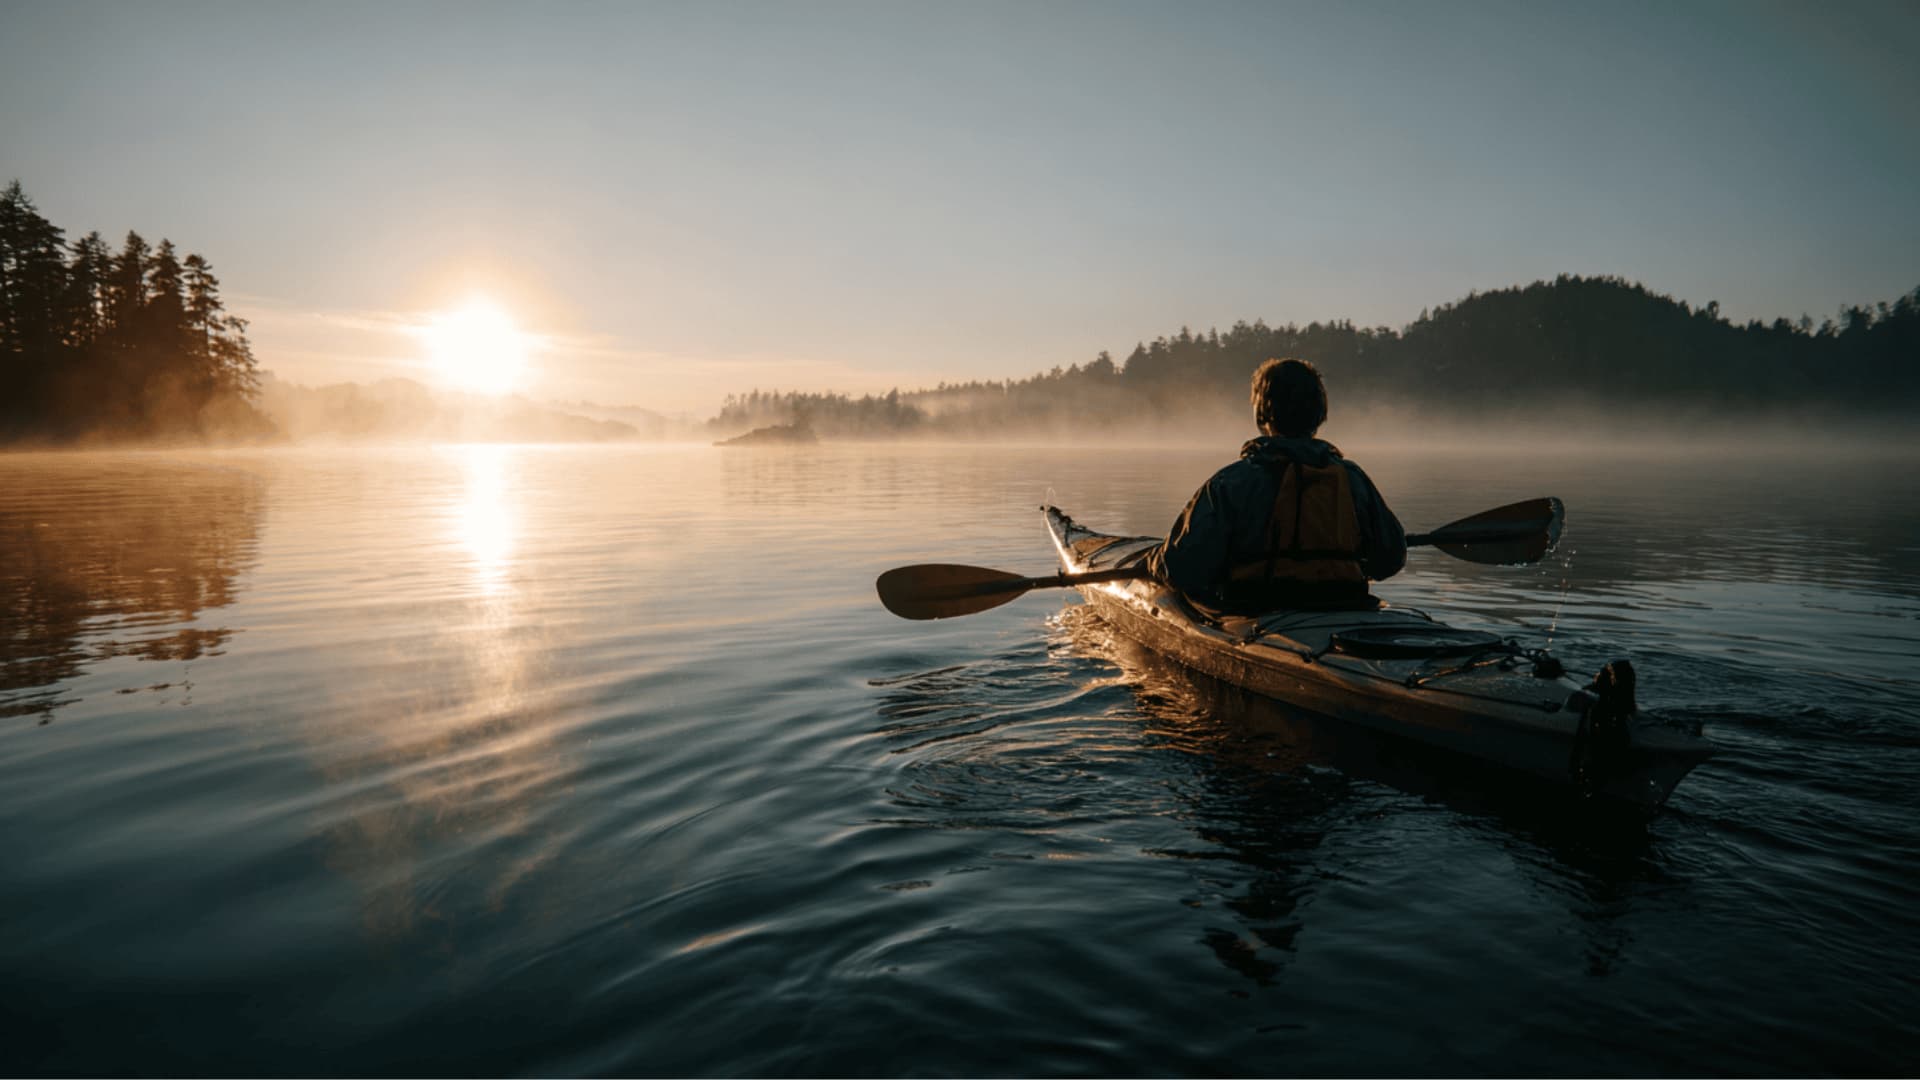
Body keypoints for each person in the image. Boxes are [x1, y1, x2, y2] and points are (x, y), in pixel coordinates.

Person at [1144, 358, 1406, 614]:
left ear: (1263, 413)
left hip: (1256, 609)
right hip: (1345, 604)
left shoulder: (1231, 483)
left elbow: (1181, 569)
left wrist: (1154, 563)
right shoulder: (1353, 479)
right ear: (1319, 413)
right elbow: (1390, 561)